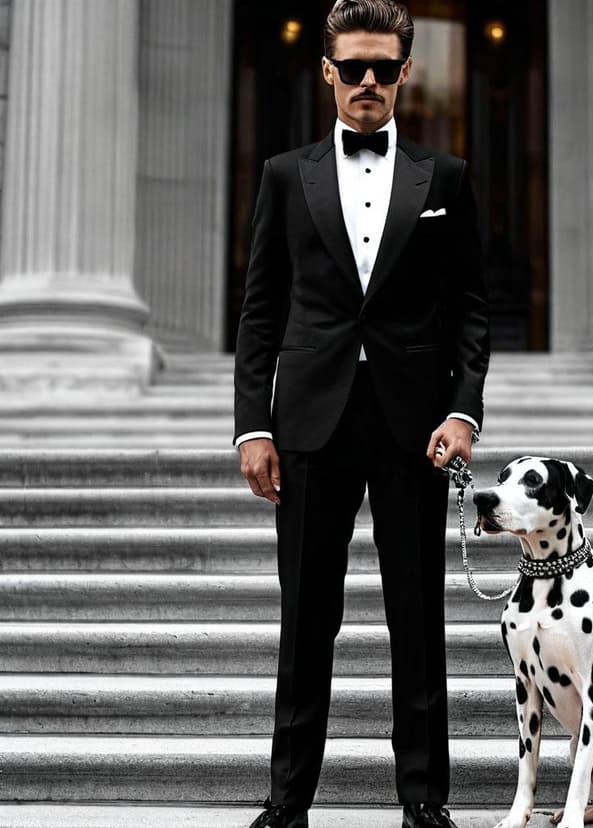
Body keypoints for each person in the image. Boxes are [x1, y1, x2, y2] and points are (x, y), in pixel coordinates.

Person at [234, 1, 489, 825]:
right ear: (329, 74)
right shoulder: (284, 173)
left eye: (384, 68)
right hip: (310, 420)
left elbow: (470, 314)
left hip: (415, 427)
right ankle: (287, 800)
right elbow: (261, 309)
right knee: (307, 619)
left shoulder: (445, 177)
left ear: (407, 73)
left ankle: (423, 798)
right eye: (355, 68)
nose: (369, 82)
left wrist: (464, 412)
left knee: (418, 620)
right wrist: (254, 425)